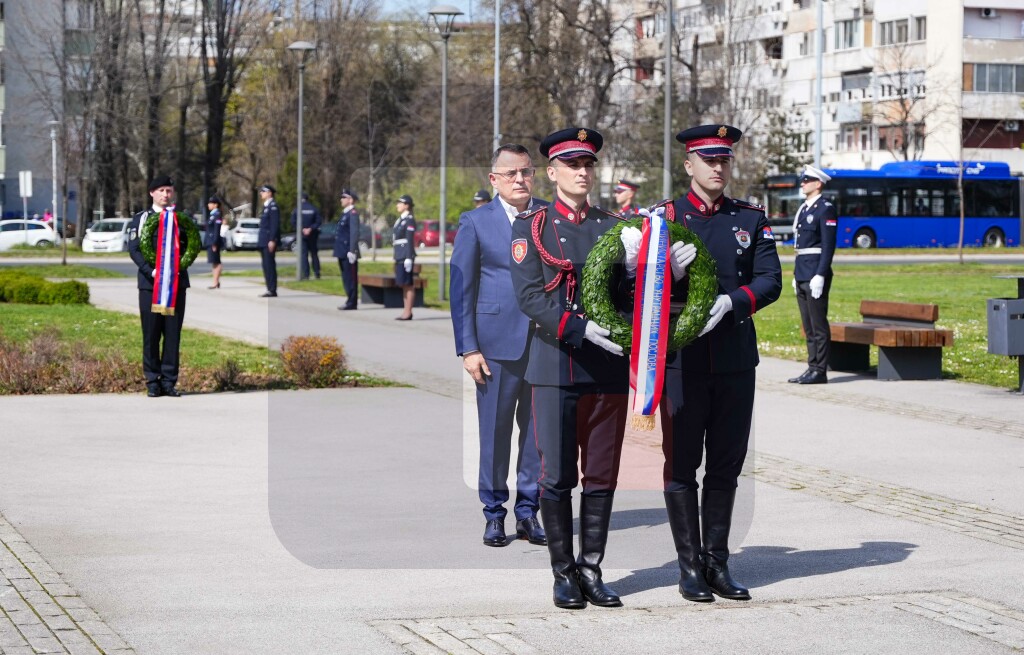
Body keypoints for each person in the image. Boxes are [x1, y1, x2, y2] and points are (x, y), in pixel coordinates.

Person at [653, 124, 782, 603]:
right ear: (689, 165)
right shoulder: (665, 218)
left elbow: (770, 279)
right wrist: (669, 271)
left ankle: (717, 562)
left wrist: (732, 302)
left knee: (727, 465)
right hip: (682, 361)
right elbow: (636, 289)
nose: (717, 167)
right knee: (682, 466)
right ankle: (689, 566)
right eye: (708, 160)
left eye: (724, 159)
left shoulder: (749, 218)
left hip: (733, 358)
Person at [510, 127, 633, 610]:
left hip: (606, 368)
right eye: (572, 165)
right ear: (552, 172)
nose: (582, 173)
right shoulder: (532, 226)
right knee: (557, 476)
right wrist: (579, 329)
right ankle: (563, 573)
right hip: (556, 365)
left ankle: (592, 569)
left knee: (601, 475)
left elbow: (628, 297)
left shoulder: (614, 226)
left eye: (587, 165)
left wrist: (644, 269)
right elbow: (529, 297)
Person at [451, 144, 547, 548]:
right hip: (494, 346)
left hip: (545, 343)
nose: (519, 179)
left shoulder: (548, 216)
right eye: (511, 173)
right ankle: (494, 513)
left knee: (538, 436)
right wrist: (468, 348)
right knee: (495, 433)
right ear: (494, 180)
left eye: (526, 172)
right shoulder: (475, 222)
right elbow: (462, 288)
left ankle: (528, 512)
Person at [127, 175, 192, 398]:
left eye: (169, 190)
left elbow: (190, 246)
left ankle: (169, 381)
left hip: (176, 285)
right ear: (152, 193)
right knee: (151, 333)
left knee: (173, 335)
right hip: (150, 285)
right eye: (161, 190)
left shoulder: (181, 218)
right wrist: (152, 271)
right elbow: (134, 249)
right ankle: (152, 381)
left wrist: (177, 268)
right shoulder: (142, 218)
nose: (166, 194)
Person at [789, 165, 837, 385]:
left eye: (807, 180)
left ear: (818, 184)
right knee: (808, 325)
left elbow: (828, 246)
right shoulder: (805, 209)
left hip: (815, 272)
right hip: (802, 271)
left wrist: (821, 274)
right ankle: (812, 367)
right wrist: (796, 274)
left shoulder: (825, 209)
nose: (803, 183)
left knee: (818, 325)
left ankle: (820, 370)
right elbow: (801, 246)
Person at [334, 189, 361, 311]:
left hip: (349, 251)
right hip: (342, 250)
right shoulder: (345, 214)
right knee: (346, 276)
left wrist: (352, 250)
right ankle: (349, 299)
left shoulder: (352, 214)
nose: (341, 200)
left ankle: (352, 301)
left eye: (344, 197)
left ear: (350, 200)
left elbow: (354, 233)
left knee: (351, 277)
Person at [392, 194, 417, 320]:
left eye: (400, 203)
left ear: (407, 205)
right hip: (399, 255)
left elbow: (409, 240)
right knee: (403, 284)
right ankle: (406, 310)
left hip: (405, 255)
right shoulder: (401, 220)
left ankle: (408, 311)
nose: (397, 205)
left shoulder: (409, 220)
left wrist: (408, 257)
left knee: (408, 284)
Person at [257, 184, 281, 298]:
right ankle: (269, 288)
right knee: (266, 265)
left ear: (269, 193)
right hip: (263, 240)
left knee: (269, 265)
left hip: (268, 241)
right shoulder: (266, 206)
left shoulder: (273, 206)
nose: (261, 193)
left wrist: (272, 239)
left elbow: (274, 225)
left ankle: (272, 289)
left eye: (263, 191)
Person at [294, 193, 323, 280]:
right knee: (314, 254)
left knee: (304, 254)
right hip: (313, 235)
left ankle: (306, 274)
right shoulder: (313, 208)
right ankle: (317, 273)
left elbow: (293, 221)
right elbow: (318, 221)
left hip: (302, 235)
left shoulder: (297, 209)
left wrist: (302, 229)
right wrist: (310, 228)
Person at [205, 196, 225, 289]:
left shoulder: (217, 215)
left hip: (214, 241)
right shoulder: (212, 215)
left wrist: (215, 242)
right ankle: (216, 281)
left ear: (215, 205)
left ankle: (215, 282)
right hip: (210, 241)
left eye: (211, 203)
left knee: (216, 262)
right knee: (214, 262)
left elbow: (217, 230)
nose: (208, 205)